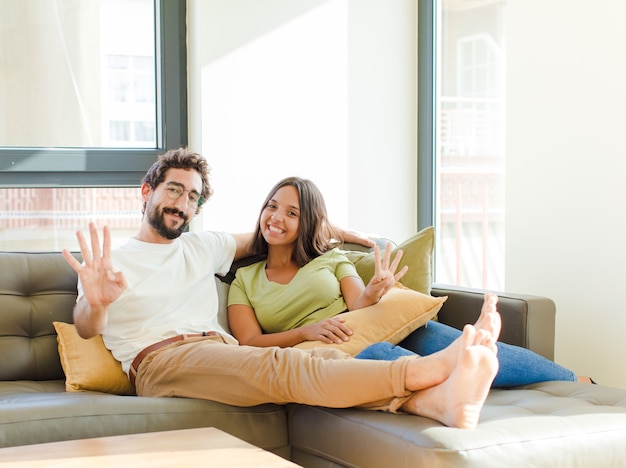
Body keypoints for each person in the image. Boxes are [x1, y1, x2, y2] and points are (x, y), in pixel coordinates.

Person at [62, 147, 501, 430]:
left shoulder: (205, 246)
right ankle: (429, 370)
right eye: (174, 189)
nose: (182, 203)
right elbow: (86, 327)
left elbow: (275, 231)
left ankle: (435, 404)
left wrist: (343, 232)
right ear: (148, 191)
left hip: (222, 350)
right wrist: (97, 303)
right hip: (160, 361)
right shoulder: (111, 262)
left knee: (322, 359)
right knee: (282, 364)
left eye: (193, 197)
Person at [227, 176, 590, 388]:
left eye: (292, 213)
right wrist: (307, 332)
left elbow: (358, 305)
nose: (276, 217)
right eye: (272, 206)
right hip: (333, 354)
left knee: (466, 343)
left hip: (376, 326)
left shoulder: (331, 258)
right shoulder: (245, 278)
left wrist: (373, 289)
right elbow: (249, 341)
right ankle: (452, 379)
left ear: (307, 223)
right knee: (379, 358)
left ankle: (574, 381)